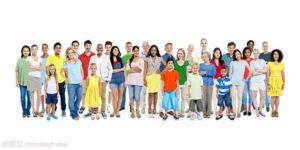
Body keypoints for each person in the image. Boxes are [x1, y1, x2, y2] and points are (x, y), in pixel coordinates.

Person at [89, 43, 112, 119]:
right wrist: (90, 78)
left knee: (103, 96)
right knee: (93, 96)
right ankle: (93, 111)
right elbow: (89, 68)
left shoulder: (106, 57)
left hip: (103, 80)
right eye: (98, 49)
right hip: (94, 80)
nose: (100, 50)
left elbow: (110, 68)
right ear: (96, 49)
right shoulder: (93, 57)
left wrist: (108, 78)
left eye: (101, 49)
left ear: (103, 49)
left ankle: (103, 111)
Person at [62, 48, 84, 120]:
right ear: (67, 54)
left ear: (74, 53)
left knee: (79, 97)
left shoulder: (78, 61)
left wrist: (82, 79)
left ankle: (75, 110)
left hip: (79, 83)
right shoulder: (66, 63)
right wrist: (65, 78)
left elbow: (82, 71)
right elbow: (60, 72)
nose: (71, 54)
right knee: (71, 99)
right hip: (71, 84)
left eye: (72, 52)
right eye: (69, 53)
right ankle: (73, 114)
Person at [46, 42, 66, 117]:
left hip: (61, 80)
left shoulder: (63, 58)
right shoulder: (50, 57)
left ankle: (63, 110)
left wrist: (66, 79)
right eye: (56, 47)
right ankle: (53, 108)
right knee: (53, 95)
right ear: (54, 49)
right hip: (53, 81)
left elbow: (66, 69)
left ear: (61, 49)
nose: (58, 49)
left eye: (59, 47)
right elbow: (47, 68)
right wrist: (48, 77)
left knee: (62, 96)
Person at [229, 49, 251, 118]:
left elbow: (250, 71)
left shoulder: (244, 62)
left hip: (241, 82)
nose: (237, 55)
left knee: (239, 97)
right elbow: (230, 74)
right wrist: (229, 82)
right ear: (234, 56)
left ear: (240, 54)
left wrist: (246, 78)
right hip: (233, 82)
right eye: (236, 54)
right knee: (233, 98)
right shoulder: (232, 62)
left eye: (238, 54)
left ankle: (238, 112)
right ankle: (234, 112)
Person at [144, 45, 162, 118]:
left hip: (157, 77)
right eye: (152, 50)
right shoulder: (147, 58)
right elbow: (145, 70)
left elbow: (168, 65)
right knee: (150, 93)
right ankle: (149, 108)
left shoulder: (160, 58)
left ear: (157, 51)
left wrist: (161, 71)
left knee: (155, 93)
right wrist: (144, 79)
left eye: (155, 50)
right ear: (150, 51)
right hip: (150, 77)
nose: (153, 51)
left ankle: (154, 108)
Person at [126, 46, 144, 118]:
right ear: (133, 51)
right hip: (130, 81)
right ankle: (132, 110)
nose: (136, 52)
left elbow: (140, 70)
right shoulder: (129, 60)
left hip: (138, 81)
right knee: (131, 96)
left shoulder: (141, 59)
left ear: (138, 51)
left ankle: (137, 110)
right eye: (134, 50)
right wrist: (135, 68)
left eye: (137, 50)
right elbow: (127, 70)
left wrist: (132, 69)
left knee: (137, 97)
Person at [78, 40, 95, 116]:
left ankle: (90, 108)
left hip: (92, 78)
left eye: (89, 45)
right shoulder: (80, 56)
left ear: (91, 46)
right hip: (84, 78)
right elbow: (78, 68)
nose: (88, 47)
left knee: (91, 93)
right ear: (84, 46)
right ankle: (83, 106)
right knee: (84, 93)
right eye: (86, 45)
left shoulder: (94, 55)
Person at [158, 42, 175, 117]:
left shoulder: (173, 58)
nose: (169, 49)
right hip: (163, 78)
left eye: (170, 48)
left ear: (172, 49)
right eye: (167, 48)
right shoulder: (162, 57)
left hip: (171, 80)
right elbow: (159, 70)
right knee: (162, 94)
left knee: (169, 95)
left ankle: (169, 110)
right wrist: (167, 67)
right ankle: (161, 110)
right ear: (165, 48)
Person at [267, 49, 285, 117]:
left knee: (277, 97)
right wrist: (268, 83)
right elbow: (268, 74)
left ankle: (276, 110)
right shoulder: (269, 63)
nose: (276, 55)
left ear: (279, 55)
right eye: (274, 54)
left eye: (277, 54)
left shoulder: (282, 63)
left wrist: (284, 83)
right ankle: (272, 111)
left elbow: (283, 74)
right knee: (272, 97)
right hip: (272, 81)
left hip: (279, 81)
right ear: (272, 55)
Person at [250, 49, 267, 117]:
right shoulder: (252, 62)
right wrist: (262, 71)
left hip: (262, 82)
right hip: (254, 82)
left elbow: (266, 70)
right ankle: (256, 110)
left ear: (259, 54)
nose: (255, 54)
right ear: (253, 54)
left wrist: (259, 70)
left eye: (257, 53)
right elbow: (252, 73)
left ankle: (260, 110)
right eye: (254, 53)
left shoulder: (263, 61)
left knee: (263, 97)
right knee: (254, 97)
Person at [15, 45, 31, 118]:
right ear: (22, 52)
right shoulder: (19, 60)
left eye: (27, 50)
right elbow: (16, 71)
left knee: (30, 98)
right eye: (24, 51)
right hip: (22, 82)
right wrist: (16, 81)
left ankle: (28, 111)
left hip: (30, 83)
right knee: (22, 97)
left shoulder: (32, 60)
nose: (25, 52)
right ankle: (24, 111)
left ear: (29, 52)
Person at [109, 46, 125, 118]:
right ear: (112, 51)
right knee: (114, 97)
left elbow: (124, 70)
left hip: (121, 80)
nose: (116, 51)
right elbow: (111, 71)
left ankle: (117, 111)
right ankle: (114, 111)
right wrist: (121, 69)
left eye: (117, 50)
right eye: (115, 50)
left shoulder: (120, 59)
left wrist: (124, 80)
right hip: (113, 80)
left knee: (120, 96)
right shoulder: (109, 59)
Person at [199, 51, 216, 119]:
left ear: (209, 57)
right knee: (203, 98)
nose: (204, 58)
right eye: (203, 57)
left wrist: (205, 72)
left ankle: (208, 112)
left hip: (210, 84)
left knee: (209, 98)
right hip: (202, 84)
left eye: (205, 56)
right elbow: (199, 72)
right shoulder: (200, 65)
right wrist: (203, 73)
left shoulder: (212, 65)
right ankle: (204, 112)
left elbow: (213, 73)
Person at [27, 44, 42, 117]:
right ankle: (33, 110)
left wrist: (34, 67)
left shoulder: (39, 59)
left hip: (38, 78)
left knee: (39, 95)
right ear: (31, 50)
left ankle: (37, 110)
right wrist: (37, 68)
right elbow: (29, 68)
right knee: (32, 95)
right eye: (33, 49)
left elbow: (41, 69)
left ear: (37, 50)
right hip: (31, 77)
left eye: (36, 49)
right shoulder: (28, 58)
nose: (34, 50)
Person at [174, 48, 189, 118]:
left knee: (183, 98)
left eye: (181, 53)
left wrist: (187, 82)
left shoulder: (186, 62)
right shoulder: (174, 62)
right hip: (177, 83)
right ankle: (177, 111)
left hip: (184, 83)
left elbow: (187, 73)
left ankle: (182, 111)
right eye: (179, 53)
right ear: (177, 54)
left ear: (183, 55)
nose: (180, 55)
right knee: (177, 98)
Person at [210, 47, 226, 115]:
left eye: (219, 53)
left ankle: (221, 109)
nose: (218, 54)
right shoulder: (211, 61)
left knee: (221, 95)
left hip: (221, 80)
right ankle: (216, 110)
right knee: (214, 96)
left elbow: (224, 71)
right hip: (214, 80)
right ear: (214, 53)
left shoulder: (222, 62)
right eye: (216, 52)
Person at [259, 41, 271, 112]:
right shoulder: (260, 55)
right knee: (261, 90)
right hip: (261, 75)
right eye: (263, 46)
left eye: (266, 46)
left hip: (268, 75)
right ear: (262, 47)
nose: (265, 47)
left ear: (268, 46)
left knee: (267, 90)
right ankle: (262, 103)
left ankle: (267, 105)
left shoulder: (271, 54)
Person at [121, 42, 133, 111]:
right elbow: (122, 68)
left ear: (131, 47)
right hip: (124, 77)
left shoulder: (134, 56)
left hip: (132, 77)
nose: (128, 47)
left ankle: (131, 106)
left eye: (130, 46)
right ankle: (122, 106)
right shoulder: (123, 57)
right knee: (123, 92)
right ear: (125, 47)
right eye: (127, 46)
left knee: (131, 93)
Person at [242, 47, 253, 116]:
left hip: (251, 79)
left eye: (248, 52)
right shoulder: (242, 60)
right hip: (243, 79)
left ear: (250, 53)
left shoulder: (252, 60)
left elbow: (253, 69)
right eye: (245, 52)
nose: (247, 54)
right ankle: (245, 109)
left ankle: (249, 109)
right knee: (244, 94)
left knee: (250, 94)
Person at [139, 41, 150, 114]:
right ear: (142, 47)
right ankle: (143, 108)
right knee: (142, 93)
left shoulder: (151, 55)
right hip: (141, 76)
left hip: (150, 77)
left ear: (149, 46)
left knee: (150, 93)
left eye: (146, 46)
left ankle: (150, 108)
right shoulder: (139, 56)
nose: (145, 47)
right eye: (144, 46)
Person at [40, 43, 49, 116]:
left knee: (48, 94)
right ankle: (42, 107)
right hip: (41, 78)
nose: (44, 49)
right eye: (43, 48)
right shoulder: (39, 58)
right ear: (41, 49)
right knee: (42, 94)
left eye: (46, 48)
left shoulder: (50, 57)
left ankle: (48, 108)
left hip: (49, 79)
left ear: (48, 49)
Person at [105, 41, 113, 113]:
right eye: (107, 47)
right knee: (103, 91)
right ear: (105, 47)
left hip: (111, 76)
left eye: (109, 47)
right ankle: (103, 105)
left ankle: (109, 105)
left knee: (110, 91)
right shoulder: (103, 56)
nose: (108, 49)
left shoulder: (113, 56)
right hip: (104, 76)